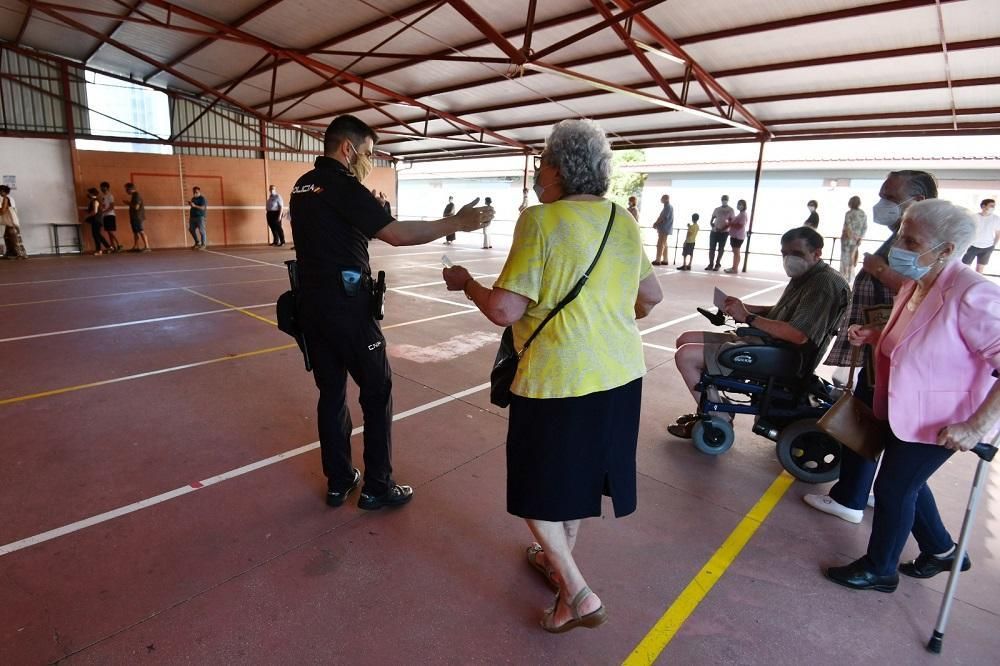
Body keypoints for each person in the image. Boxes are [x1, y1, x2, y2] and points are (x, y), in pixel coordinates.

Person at [442, 118, 662, 633]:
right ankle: (561, 589)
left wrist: (466, 282)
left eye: (541, 163)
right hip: (622, 375)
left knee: (537, 488)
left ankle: (579, 591)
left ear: (559, 168)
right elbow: (649, 298)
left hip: (558, 380)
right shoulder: (623, 221)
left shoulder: (541, 221)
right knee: (578, 482)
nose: (538, 174)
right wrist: (605, 323)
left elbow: (504, 311)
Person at [290, 114, 494, 512]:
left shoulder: (302, 186)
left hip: (312, 310)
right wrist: (456, 223)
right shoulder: (344, 186)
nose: (370, 160)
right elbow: (397, 234)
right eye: (367, 153)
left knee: (331, 394)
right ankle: (377, 487)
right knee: (376, 392)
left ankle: (338, 480)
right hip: (348, 310)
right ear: (347, 149)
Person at [825, 199, 1000, 593]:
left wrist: (976, 426)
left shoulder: (973, 293)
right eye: (901, 232)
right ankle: (941, 550)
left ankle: (880, 568)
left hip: (942, 418)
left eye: (910, 238)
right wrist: (875, 337)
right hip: (904, 408)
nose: (898, 244)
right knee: (907, 483)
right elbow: (917, 337)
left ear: (947, 250)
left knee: (894, 488)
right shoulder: (918, 282)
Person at [810, 171, 938, 523]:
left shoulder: (926, 241)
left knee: (868, 426)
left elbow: (922, 292)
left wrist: (878, 270)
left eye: (890, 196)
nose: (882, 203)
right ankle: (857, 493)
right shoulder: (900, 234)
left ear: (919, 198)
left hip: (893, 350)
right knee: (873, 423)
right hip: (880, 342)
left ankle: (851, 496)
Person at [668, 226, 849, 438]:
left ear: (817, 252)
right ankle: (715, 402)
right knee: (685, 339)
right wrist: (744, 308)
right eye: (785, 253)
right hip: (768, 342)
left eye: (796, 253)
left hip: (784, 356)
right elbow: (782, 312)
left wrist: (747, 317)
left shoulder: (823, 284)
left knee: (685, 356)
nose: (789, 259)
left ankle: (719, 418)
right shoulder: (806, 275)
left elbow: (798, 334)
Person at [961, 199, 999, 274]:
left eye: (994, 206)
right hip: (973, 246)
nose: (993, 207)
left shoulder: (996, 218)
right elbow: (967, 230)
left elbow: (998, 233)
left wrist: (993, 245)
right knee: (965, 267)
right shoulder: (974, 217)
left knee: (980, 270)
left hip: (987, 247)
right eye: (991, 206)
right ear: (983, 206)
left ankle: (976, 285)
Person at [839, 195, 867, 281]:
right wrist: (859, 238)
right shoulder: (863, 214)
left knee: (845, 258)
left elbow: (848, 227)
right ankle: (851, 278)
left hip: (847, 240)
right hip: (856, 241)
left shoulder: (849, 213)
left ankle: (843, 277)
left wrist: (852, 236)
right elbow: (864, 228)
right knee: (852, 258)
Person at [706, 194, 734, 271]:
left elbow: (731, 222)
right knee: (712, 248)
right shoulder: (717, 209)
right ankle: (710, 264)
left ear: (728, 200)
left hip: (724, 233)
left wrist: (723, 229)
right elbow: (712, 218)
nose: (724, 200)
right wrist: (711, 224)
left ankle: (717, 264)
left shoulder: (730, 210)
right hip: (714, 231)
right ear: (721, 200)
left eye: (725, 199)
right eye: (723, 199)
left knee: (721, 249)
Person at [0, 185, 27, 259]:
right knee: (7, 236)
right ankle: (10, 253)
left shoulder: (5, 199)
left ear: (3, 191)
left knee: (14, 238)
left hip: (11, 221)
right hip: (11, 220)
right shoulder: (10, 198)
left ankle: (21, 254)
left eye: (0, 191)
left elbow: (3, 210)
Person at [83, 187, 111, 255]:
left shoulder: (95, 201)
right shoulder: (94, 201)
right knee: (97, 235)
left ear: (92, 193)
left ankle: (100, 250)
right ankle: (108, 247)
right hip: (96, 220)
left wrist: (87, 216)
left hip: (96, 220)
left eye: (89, 193)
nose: (88, 194)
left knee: (96, 235)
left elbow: (95, 212)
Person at [124, 183, 150, 252]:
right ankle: (136, 247)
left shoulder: (136, 195)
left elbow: (136, 207)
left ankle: (147, 247)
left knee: (141, 231)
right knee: (135, 232)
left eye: (126, 189)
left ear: (130, 189)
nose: (126, 191)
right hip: (134, 217)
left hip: (137, 217)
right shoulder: (133, 196)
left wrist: (128, 203)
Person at [724, 199, 747, 273]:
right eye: (738, 204)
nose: (739, 206)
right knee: (735, 252)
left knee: (736, 252)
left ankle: (735, 268)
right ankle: (734, 267)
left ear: (744, 206)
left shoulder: (743, 214)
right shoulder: (740, 214)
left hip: (738, 236)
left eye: (741, 204)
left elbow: (739, 226)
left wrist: (730, 223)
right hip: (735, 236)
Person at [99, 181, 121, 252]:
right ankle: (113, 247)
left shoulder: (110, 196)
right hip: (105, 215)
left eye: (103, 187)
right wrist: (101, 210)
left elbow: (112, 207)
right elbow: (103, 206)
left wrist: (104, 212)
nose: (102, 188)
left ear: (107, 188)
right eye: (101, 187)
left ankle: (119, 245)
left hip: (110, 215)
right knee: (108, 232)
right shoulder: (103, 196)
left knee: (111, 231)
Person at [652, 194, 673, 266]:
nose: (661, 200)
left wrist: (656, 223)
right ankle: (665, 259)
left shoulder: (668, 207)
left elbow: (663, 218)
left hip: (664, 228)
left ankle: (658, 260)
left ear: (666, 199)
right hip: (665, 228)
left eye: (662, 198)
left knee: (660, 244)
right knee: (664, 244)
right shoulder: (667, 207)